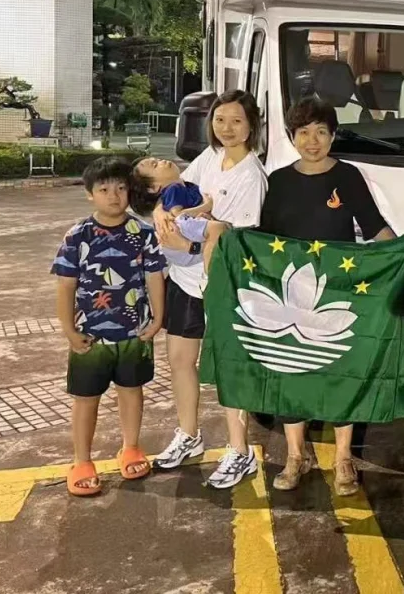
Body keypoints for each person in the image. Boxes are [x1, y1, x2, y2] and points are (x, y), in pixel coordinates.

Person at [255, 96, 397, 494]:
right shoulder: (278, 181)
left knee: (339, 373)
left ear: (333, 136)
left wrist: (402, 251)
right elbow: (264, 239)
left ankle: (344, 458)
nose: (312, 141)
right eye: (303, 132)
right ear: (292, 137)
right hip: (290, 294)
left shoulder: (348, 176)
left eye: (321, 132)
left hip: (337, 292)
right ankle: (296, 456)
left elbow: (374, 226)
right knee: (292, 373)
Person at [151, 90, 269, 488]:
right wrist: (161, 211)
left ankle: (240, 451)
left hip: (221, 285)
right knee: (180, 359)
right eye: (220, 120)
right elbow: (180, 188)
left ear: (251, 126)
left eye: (236, 121)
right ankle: (189, 435)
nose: (227, 128)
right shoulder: (210, 157)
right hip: (185, 281)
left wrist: (189, 245)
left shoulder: (252, 176)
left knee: (228, 369)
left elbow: (237, 239)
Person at [51, 157, 165, 496]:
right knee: (86, 398)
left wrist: (158, 318)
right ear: (90, 194)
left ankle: (131, 447)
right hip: (90, 337)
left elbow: (154, 277)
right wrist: (69, 331)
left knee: (132, 391)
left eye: (121, 188)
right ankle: (82, 461)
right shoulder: (78, 235)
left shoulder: (143, 233)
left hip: (135, 334)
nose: (114, 196)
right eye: (104, 189)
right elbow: (66, 286)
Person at [129, 156, 227, 276]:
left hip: (181, 245)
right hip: (177, 231)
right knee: (217, 228)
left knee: (216, 235)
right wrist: (207, 206)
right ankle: (213, 277)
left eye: (158, 160)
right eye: (155, 165)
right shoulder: (174, 189)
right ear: (153, 188)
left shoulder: (185, 184)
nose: (162, 161)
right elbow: (177, 214)